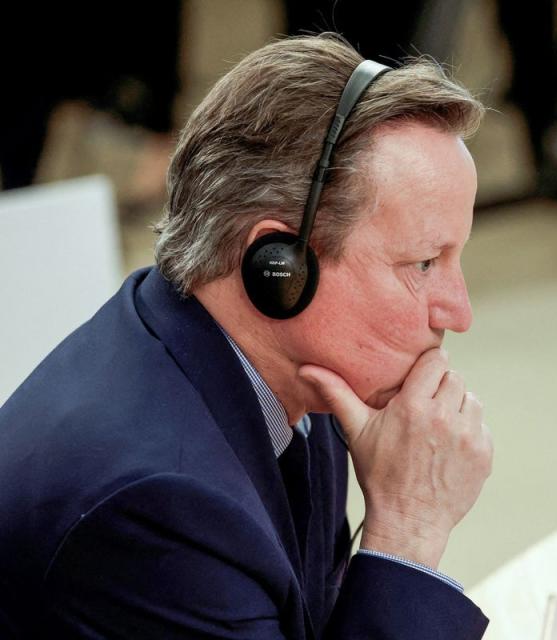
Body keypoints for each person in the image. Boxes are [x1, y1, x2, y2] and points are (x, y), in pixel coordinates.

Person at [0, 34, 492, 638]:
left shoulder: (291, 377)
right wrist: (409, 530)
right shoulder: (156, 505)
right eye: (422, 264)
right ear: (277, 266)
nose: (459, 312)